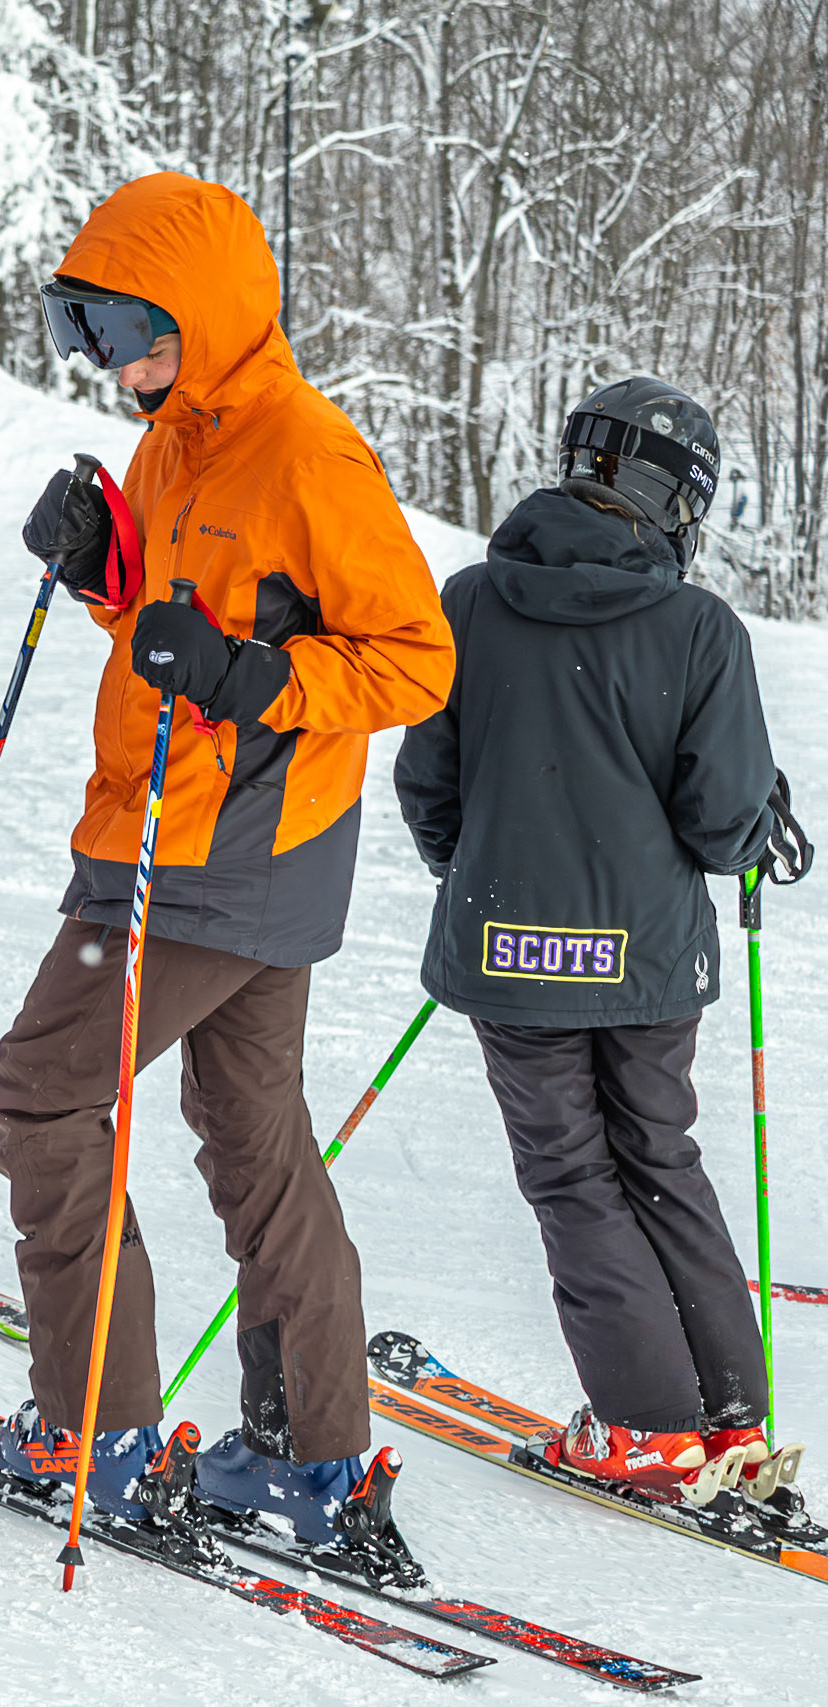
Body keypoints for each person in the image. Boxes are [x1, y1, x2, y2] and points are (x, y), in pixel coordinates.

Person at [0, 172, 456, 1544]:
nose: (112, 361)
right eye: (90, 333)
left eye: (130, 328)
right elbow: (173, 633)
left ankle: (95, 1432)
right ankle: (312, 1453)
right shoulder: (173, 447)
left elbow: (414, 657)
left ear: (208, 311)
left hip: (210, 854)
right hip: (201, 840)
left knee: (42, 1094)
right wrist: (101, 579)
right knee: (251, 1138)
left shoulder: (306, 452)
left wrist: (253, 676)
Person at [394, 377, 808, 1503]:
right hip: (647, 963)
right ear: (676, 500)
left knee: (575, 1177)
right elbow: (726, 824)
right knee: (659, 1161)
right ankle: (718, 1417)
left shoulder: (473, 601)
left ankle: (654, 1424)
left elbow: (428, 779)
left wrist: (478, 875)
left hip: (511, 952)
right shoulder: (695, 628)